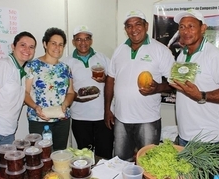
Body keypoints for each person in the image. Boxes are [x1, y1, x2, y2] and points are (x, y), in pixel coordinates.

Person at [104, 10, 175, 161]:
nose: (133, 29)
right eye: (129, 26)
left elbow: (174, 83)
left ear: (146, 26)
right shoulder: (119, 50)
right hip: (121, 119)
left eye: (138, 24)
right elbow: (110, 79)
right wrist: (107, 109)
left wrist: (157, 88)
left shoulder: (160, 50)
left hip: (147, 119)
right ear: (125, 30)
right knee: (121, 161)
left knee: (148, 163)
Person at [170, 9, 219, 146]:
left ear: (203, 28)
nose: (185, 31)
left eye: (191, 26)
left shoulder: (215, 56)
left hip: (208, 140)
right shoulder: (182, 55)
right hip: (184, 135)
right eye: (182, 27)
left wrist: (202, 96)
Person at [0, 31, 37, 178]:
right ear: (13, 46)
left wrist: (37, 107)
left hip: (8, 132)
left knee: (4, 173)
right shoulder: (3, 66)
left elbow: (19, 97)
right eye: (23, 45)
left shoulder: (21, 71)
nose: (27, 49)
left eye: (31, 47)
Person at [64, 25, 114, 159]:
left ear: (91, 41)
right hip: (80, 117)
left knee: (105, 154)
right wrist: (75, 97)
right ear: (74, 42)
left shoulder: (102, 58)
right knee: (85, 156)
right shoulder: (66, 62)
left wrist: (105, 80)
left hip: (103, 116)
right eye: (79, 39)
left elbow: (114, 79)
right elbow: (63, 89)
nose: (83, 43)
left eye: (86, 39)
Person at [24, 27, 75, 151]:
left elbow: (71, 92)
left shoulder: (65, 68)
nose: (57, 47)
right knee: (42, 157)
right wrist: (36, 107)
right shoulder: (32, 66)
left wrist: (66, 104)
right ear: (45, 44)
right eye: (53, 43)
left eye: (61, 44)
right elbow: (25, 93)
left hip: (62, 120)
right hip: (39, 120)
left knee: (59, 155)